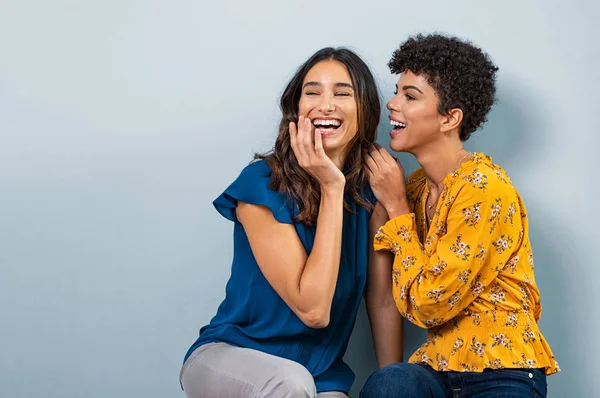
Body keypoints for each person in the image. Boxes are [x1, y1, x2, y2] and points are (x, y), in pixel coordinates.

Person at [180, 47, 403, 398]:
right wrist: (331, 187)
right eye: (312, 92)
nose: (325, 104)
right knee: (290, 384)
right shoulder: (260, 183)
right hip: (231, 357)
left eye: (342, 93)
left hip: (321, 375)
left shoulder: (369, 193)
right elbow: (313, 310)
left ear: (365, 108)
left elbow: (382, 300)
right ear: (296, 110)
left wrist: (394, 386)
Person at [360, 33, 560, 398]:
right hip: (439, 368)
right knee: (388, 383)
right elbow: (384, 292)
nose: (392, 103)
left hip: (504, 372)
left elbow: (430, 305)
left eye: (410, 96)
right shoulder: (418, 188)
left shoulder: (484, 187)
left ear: (450, 118)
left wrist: (396, 205)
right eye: (397, 91)